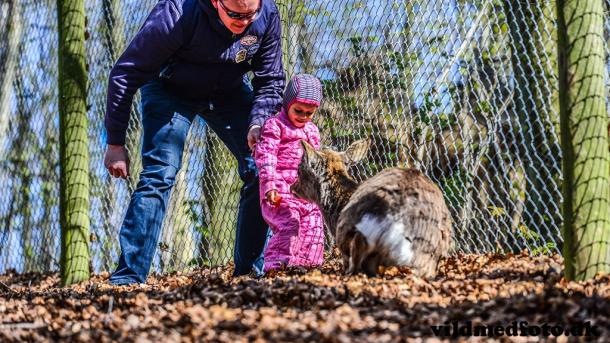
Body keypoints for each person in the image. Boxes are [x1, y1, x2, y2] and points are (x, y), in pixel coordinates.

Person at [103, 0, 285, 285]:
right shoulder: (175, 14)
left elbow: (271, 80)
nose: (244, 21)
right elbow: (124, 73)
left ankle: (248, 273)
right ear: (215, 2)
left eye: (251, 14)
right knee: (160, 173)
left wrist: (258, 121)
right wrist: (115, 142)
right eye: (236, 15)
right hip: (170, 90)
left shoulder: (268, 15)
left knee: (262, 167)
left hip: (228, 91)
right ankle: (128, 278)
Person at [254, 74, 325, 272]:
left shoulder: (312, 131)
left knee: (314, 226)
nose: (303, 116)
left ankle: (307, 268)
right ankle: (277, 268)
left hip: (306, 192)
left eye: (309, 113)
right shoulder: (275, 125)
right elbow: (266, 156)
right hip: (279, 192)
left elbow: (316, 163)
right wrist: (269, 185)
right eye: (299, 110)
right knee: (289, 225)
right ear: (287, 104)